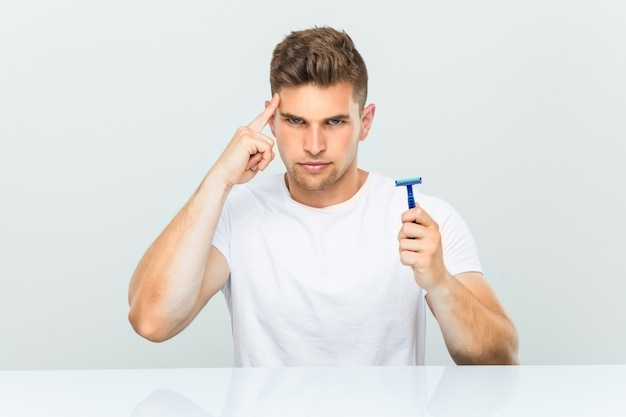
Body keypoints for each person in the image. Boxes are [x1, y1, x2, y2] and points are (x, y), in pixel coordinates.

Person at [128, 26, 519, 366]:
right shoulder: (234, 213)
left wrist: (439, 281)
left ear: (364, 123)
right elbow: (151, 320)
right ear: (271, 120)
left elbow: (500, 358)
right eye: (296, 121)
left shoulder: (422, 220)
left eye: (334, 122)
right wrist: (218, 180)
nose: (313, 145)